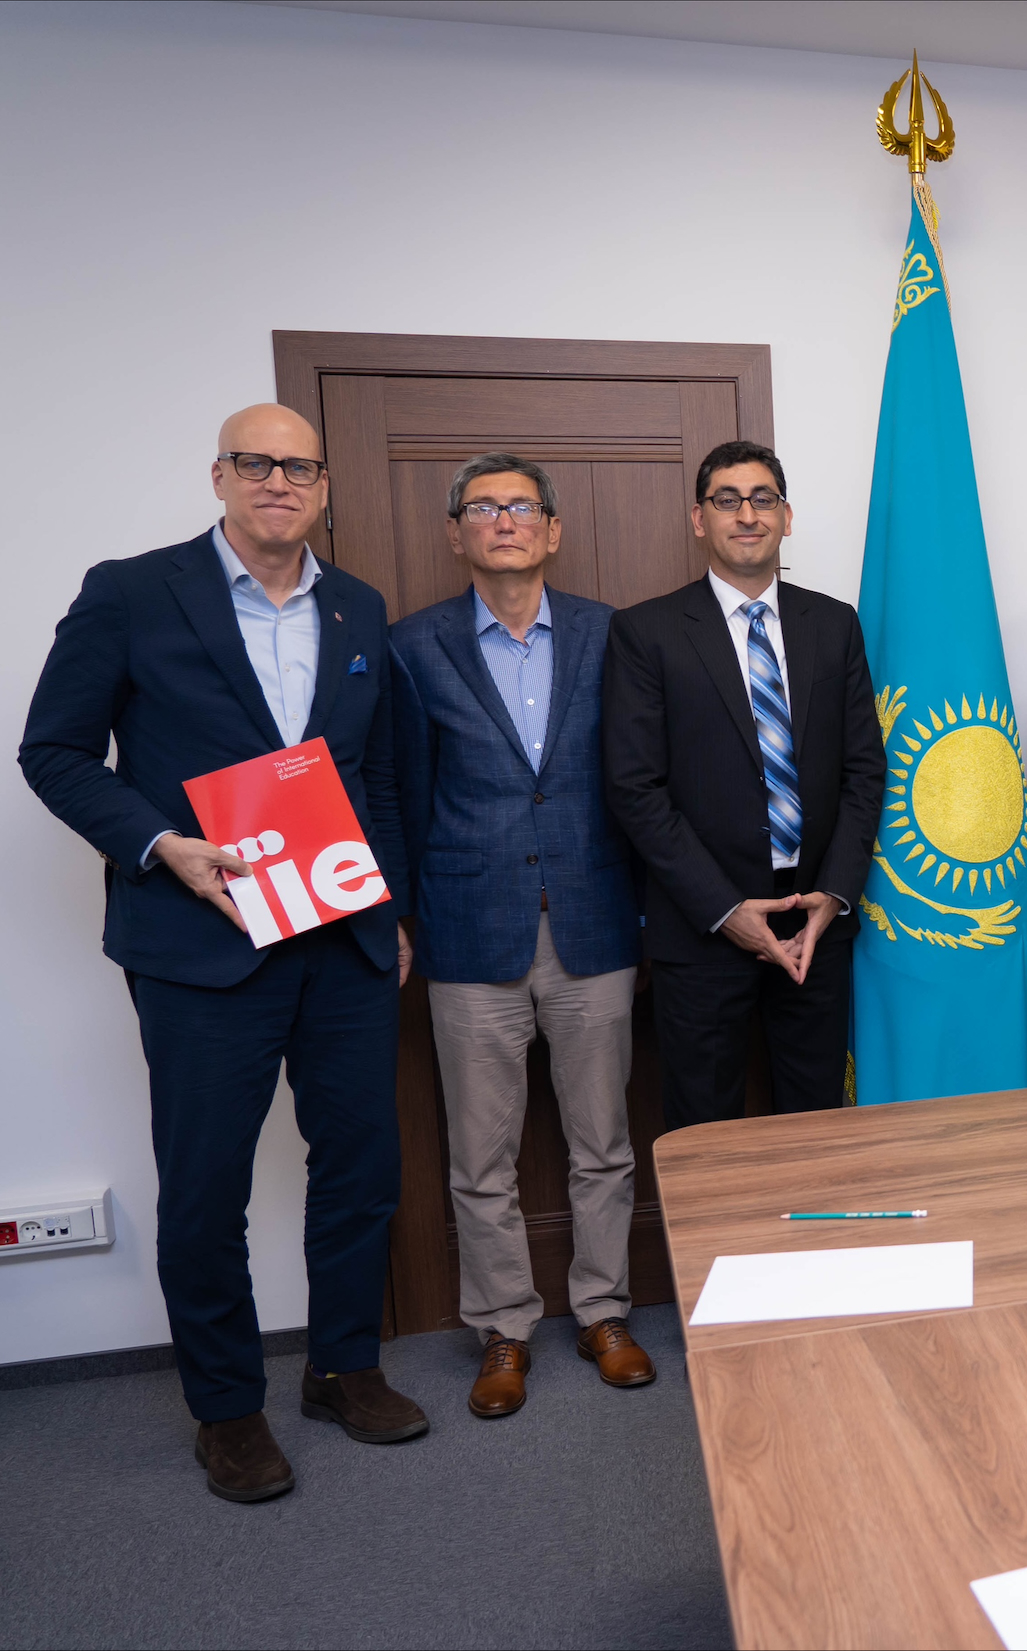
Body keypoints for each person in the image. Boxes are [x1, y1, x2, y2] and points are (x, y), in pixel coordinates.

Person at [18, 404, 425, 1503]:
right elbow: (53, 752)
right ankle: (227, 1408)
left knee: (361, 1166)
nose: (278, 482)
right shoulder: (132, 592)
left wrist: (384, 906)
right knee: (206, 1188)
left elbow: (371, 774)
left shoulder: (355, 606)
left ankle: (344, 1365)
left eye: (298, 466)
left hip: (339, 939)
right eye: (257, 463)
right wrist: (159, 847)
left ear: (324, 486)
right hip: (202, 943)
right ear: (220, 476)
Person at [391, 452, 653, 1420]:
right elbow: (399, 793)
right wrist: (400, 913)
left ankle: (604, 1311)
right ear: (457, 531)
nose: (503, 521)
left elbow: (638, 780)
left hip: (593, 923)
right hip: (467, 929)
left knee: (604, 1144)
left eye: (521, 507)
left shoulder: (608, 636)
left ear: (552, 530)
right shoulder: (412, 647)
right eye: (483, 508)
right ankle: (503, 1327)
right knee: (481, 1156)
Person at [603, 441, 884, 1128]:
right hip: (703, 932)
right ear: (699, 519)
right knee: (707, 1136)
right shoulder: (647, 631)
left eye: (762, 499)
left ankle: (813, 1240)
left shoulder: (834, 623)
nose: (746, 514)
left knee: (815, 1127)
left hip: (814, 928)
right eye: (727, 500)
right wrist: (727, 910)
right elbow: (635, 786)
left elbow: (863, 768)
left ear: (787, 517)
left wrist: (836, 894)